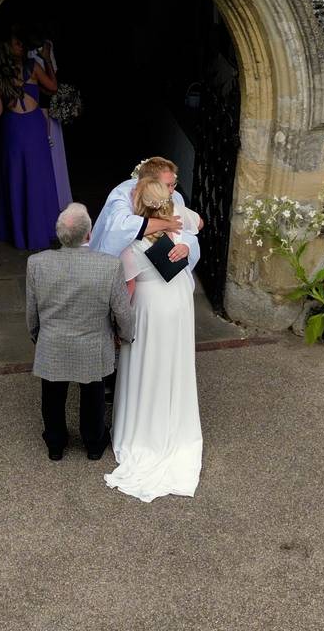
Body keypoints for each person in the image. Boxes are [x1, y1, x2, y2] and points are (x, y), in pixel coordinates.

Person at [104, 179, 202, 502]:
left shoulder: (131, 245)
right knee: (174, 366)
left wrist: (119, 328)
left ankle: (141, 433)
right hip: (178, 304)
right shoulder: (179, 232)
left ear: (139, 208)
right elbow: (196, 228)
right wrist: (187, 247)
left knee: (145, 366)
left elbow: (126, 289)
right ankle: (174, 430)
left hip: (148, 307)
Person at [26, 203, 135, 461]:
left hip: (53, 342)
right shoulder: (109, 266)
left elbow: (32, 311)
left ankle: (55, 443)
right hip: (93, 344)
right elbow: (122, 310)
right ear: (89, 234)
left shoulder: (37, 263)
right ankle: (94, 444)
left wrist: (36, 336)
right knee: (93, 396)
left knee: (52, 396)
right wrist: (125, 334)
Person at [0, 30, 59, 250]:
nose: (22, 46)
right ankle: (44, 229)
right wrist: (47, 59)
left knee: (16, 176)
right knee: (38, 175)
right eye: (17, 43)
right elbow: (53, 87)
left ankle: (19, 233)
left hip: (13, 128)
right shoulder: (32, 66)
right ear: (9, 49)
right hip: (33, 126)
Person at [90, 156, 204, 268]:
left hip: (163, 267)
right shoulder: (122, 194)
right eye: (167, 185)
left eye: (173, 184)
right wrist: (166, 224)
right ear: (150, 183)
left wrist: (186, 245)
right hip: (128, 265)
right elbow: (120, 227)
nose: (172, 190)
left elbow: (190, 228)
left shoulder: (175, 196)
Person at [27, 34, 73, 213]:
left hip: (47, 106)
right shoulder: (26, 55)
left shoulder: (47, 45)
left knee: (55, 152)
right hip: (32, 109)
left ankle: (59, 197)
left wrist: (46, 57)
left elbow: (52, 81)